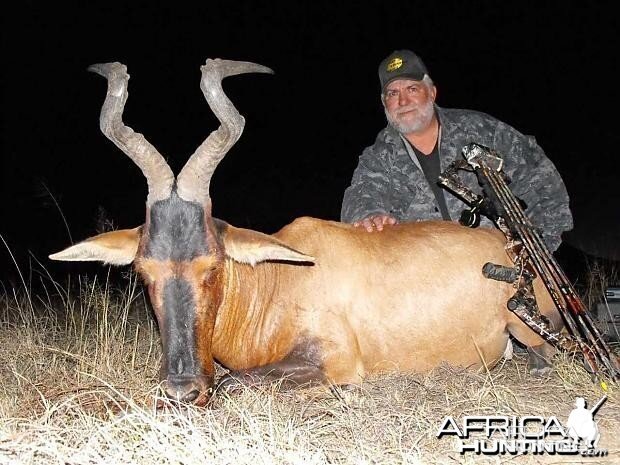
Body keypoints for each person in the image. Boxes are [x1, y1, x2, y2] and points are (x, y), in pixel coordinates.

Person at [341, 49, 572, 252]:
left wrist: (538, 247)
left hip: (499, 268)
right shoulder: (378, 158)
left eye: (412, 88)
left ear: (432, 93)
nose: (403, 101)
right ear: (384, 103)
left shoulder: (483, 131)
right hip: (426, 280)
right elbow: (361, 197)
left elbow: (541, 180)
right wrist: (368, 217)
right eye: (393, 93)